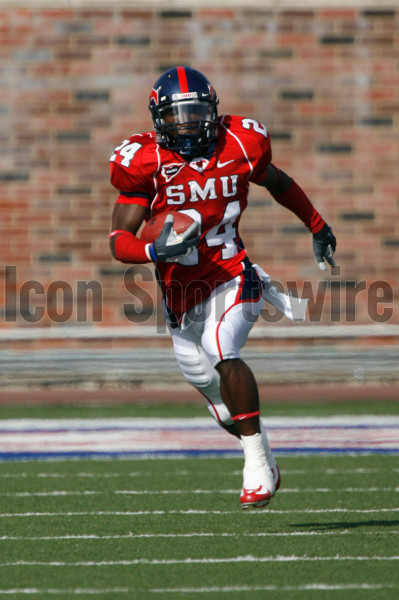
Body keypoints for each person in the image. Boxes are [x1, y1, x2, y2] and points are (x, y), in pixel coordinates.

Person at [109, 66, 336, 509]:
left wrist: (317, 224)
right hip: (179, 295)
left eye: (196, 112)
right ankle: (264, 456)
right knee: (211, 388)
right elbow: (119, 240)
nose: (189, 124)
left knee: (221, 349)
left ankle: (254, 467)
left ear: (213, 110)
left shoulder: (239, 144)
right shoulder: (144, 162)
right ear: (159, 121)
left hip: (233, 273)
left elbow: (277, 181)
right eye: (178, 116)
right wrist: (155, 253)